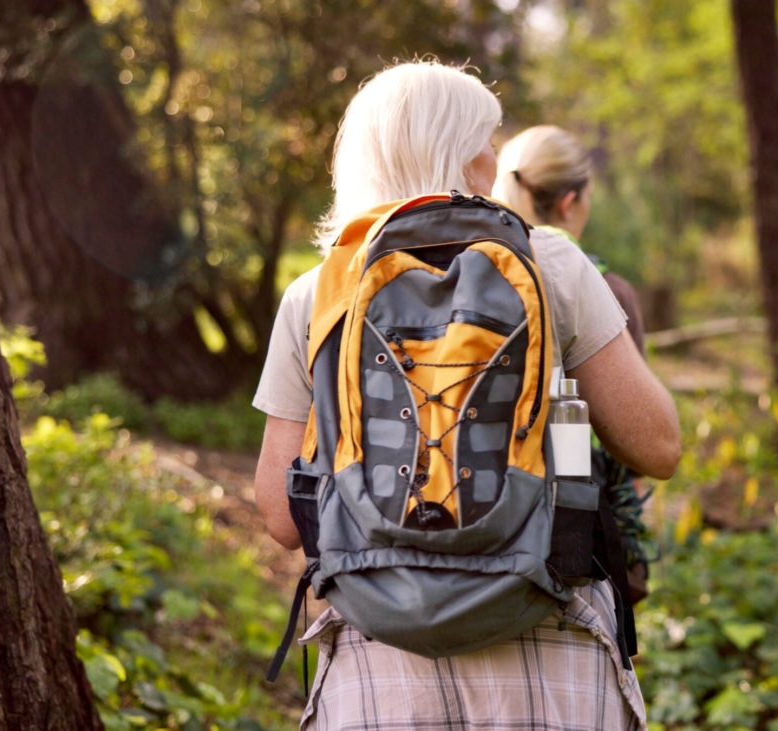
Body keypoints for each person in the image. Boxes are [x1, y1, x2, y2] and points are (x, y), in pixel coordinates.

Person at [251, 61, 680, 730]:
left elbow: (282, 517)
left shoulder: (318, 293)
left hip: (377, 651)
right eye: (487, 139)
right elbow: (657, 444)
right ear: (459, 153)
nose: (494, 158)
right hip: (546, 634)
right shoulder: (549, 263)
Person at [492, 125, 656, 601]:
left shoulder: (474, 273)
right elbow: (637, 444)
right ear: (569, 202)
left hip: (490, 509)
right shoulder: (610, 289)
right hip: (580, 523)